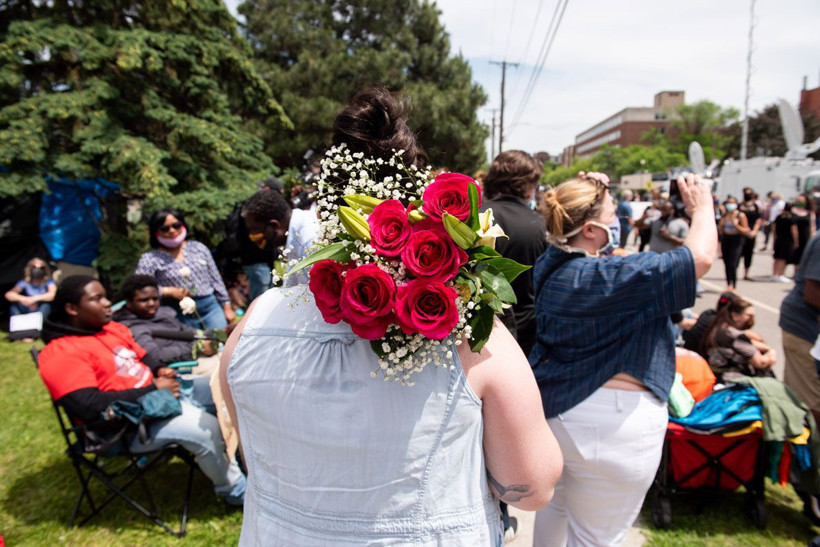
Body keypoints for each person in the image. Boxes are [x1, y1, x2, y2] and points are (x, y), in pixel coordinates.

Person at [219, 87, 562, 545]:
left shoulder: (255, 320)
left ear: (324, 207)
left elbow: (252, 453)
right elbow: (532, 487)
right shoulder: (473, 336)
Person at [530, 171, 716, 546]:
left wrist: (596, 190)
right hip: (613, 428)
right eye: (614, 214)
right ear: (591, 229)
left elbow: (579, 243)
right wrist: (704, 207)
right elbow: (699, 258)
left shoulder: (553, 268)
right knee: (598, 538)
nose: (620, 222)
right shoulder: (603, 278)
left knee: (555, 512)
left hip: (558, 418)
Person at [37, 276, 246, 506]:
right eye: (97, 299)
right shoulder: (61, 353)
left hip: (163, 395)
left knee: (232, 393)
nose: (107, 303)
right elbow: (86, 405)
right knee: (207, 429)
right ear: (71, 308)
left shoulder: (110, 329)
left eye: (105, 296)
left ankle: (245, 462)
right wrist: (151, 389)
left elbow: (144, 356)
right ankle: (237, 492)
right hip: (125, 425)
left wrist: (160, 370)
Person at [480, 149, 546, 356]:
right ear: (527, 186)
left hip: (480, 323)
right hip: (526, 328)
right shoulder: (540, 225)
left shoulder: (480, 215)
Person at [135, 208, 234, 330]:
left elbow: (216, 279)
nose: (172, 231)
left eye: (176, 226)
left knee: (222, 344)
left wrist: (227, 307)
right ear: (156, 232)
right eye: (165, 228)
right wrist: (167, 291)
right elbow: (139, 288)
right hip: (176, 313)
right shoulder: (150, 259)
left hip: (209, 307)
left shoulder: (199, 248)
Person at [112, 274, 216, 367]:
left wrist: (210, 337)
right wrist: (197, 348)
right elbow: (155, 356)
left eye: (155, 298)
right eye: (144, 300)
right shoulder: (131, 328)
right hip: (183, 367)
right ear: (129, 303)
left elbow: (184, 329)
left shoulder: (163, 313)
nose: (151, 303)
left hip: (198, 355)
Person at [780, 233, 820, 426]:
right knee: (811, 404)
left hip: (809, 330)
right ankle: (809, 452)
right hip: (805, 330)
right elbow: (812, 292)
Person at [240, 189, 319, 286]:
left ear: (274, 226)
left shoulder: (308, 242)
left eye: (254, 229)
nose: (252, 235)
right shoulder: (296, 235)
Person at [700, 294, 776, 381]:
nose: (751, 319)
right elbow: (761, 362)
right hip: (732, 378)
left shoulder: (720, 326)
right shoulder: (735, 335)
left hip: (715, 372)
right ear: (735, 316)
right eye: (749, 315)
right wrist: (772, 352)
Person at [718, 197, 749, 288]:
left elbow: (745, 230)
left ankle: (734, 284)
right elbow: (721, 230)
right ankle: (728, 284)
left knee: (733, 263)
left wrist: (736, 225)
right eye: (729, 203)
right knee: (726, 263)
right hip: (726, 239)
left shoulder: (740, 215)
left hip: (737, 240)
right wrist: (722, 224)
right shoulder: (725, 215)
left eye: (732, 203)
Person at [739, 188, 763, 281]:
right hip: (740, 232)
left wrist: (754, 231)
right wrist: (744, 229)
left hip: (751, 233)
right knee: (738, 253)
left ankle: (746, 273)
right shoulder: (740, 206)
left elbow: (759, 219)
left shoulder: (756, 206)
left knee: (748, 254)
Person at [772, 202, 799, 282]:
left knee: (777, 258)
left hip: (779, 239)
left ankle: (775, 274)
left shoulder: (779, 217)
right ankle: (780, 274)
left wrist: (774, 239)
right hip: (787, 240)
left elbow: (774, 229)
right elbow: (794, 231)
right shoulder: (791, 218)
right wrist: (796, 241)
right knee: (783, 259)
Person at [792, 193, 817, 267]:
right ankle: (796, 271)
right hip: (794, 236)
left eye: (801, 200)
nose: (798, 201)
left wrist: (812, 238)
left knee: (804, 255)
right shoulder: (792, 211)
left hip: (805, 236)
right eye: (797, 200)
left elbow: (812, 226)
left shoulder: (810, 213)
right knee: (795, 255)